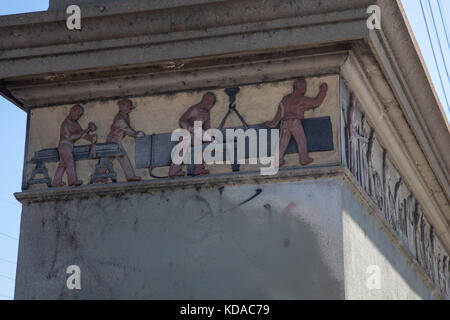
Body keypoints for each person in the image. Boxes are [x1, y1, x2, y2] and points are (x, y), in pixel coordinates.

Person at [265, 79, 328, 167]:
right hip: (295, 123)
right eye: (305, 87)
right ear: (301, 88)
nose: (305, 89)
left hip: (285, 123)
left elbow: (280, 112)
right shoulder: (302, 99)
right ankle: (304, 158)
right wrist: (323, 90)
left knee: (283, 141)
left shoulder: (285, 99)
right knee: (301, 139)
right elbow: (316, 102)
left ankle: (278, 159)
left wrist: (273, 123)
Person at [94, 99, 144, 183]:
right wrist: (136, 134)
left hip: (114, 141)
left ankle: (99, 176)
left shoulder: (125, 116)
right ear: (121, 107)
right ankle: (130, 176)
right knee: (123, 157)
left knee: (106, 159)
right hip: (114, 142)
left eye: (129, 107)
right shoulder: (120, 118)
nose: (129, 108)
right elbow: (127, 130)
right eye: (127, 106)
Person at [169, 92, 217, 177]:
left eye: (212, 103)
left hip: (197, 136)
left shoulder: (206, 113)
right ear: (205, 101)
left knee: (199, 144)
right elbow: (182, 121)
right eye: (210, 103)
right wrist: (190, 128)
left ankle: (198, 168)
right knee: (184, 144)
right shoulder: (194, 109)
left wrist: (208, 136)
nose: (211, 105)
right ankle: (174, 170)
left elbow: (207, 127)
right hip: (187, 134)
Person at [52, 104, 97, 187]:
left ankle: (56, 181)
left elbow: (82, 134)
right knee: (69, 162)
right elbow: (69, 137)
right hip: (64, 146)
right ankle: (72, 181)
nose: (78, 116)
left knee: (62, 164)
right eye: (77, 114)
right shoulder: (65, 124)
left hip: (69, 146)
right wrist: (87, 129)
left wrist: (91, 138)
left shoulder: (75, 123)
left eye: (80, 115)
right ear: (72, 111)